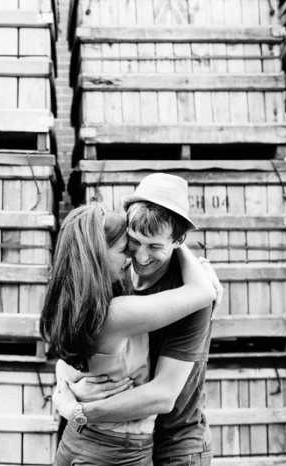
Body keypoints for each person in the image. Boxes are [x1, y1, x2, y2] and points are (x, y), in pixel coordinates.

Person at [39, 183, 216, 465]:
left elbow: (163, 395)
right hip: (112, 445)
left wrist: (77, 405)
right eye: (131, 244)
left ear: (178, 239)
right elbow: (72, 359)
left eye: (155, 245)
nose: (140, 258)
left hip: (176, 442)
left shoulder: (187, 296)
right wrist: (71, 394)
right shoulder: (113, 292)